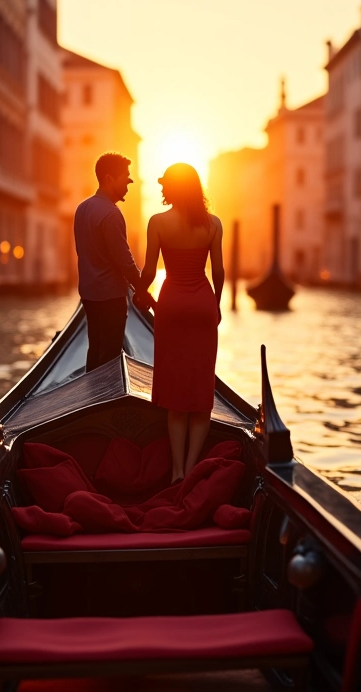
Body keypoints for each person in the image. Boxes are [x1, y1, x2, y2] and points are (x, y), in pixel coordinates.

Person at [135, 163, 224, 483]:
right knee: (200, 393)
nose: (161, 188)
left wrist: (140, 292)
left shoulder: (158, 222)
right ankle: (191, 468)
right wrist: (216, 304)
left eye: (165, 184)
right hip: (202, 306)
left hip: (171, 306)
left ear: (175, 188)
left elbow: (149, 271)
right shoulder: (213, 223)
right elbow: (218, 272)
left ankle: (176, 471)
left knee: (175, 394)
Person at [74, 152, 144, 372]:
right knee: (110, 356)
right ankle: (104, 392)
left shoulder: (82, 209)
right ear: (109, 178)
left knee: (95, 349)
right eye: (125, 179)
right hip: (110, 296)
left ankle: (92, 390)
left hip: (89, 294)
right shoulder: (112, 214)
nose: (128, 184)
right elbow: (124, 260)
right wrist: (143, 289)